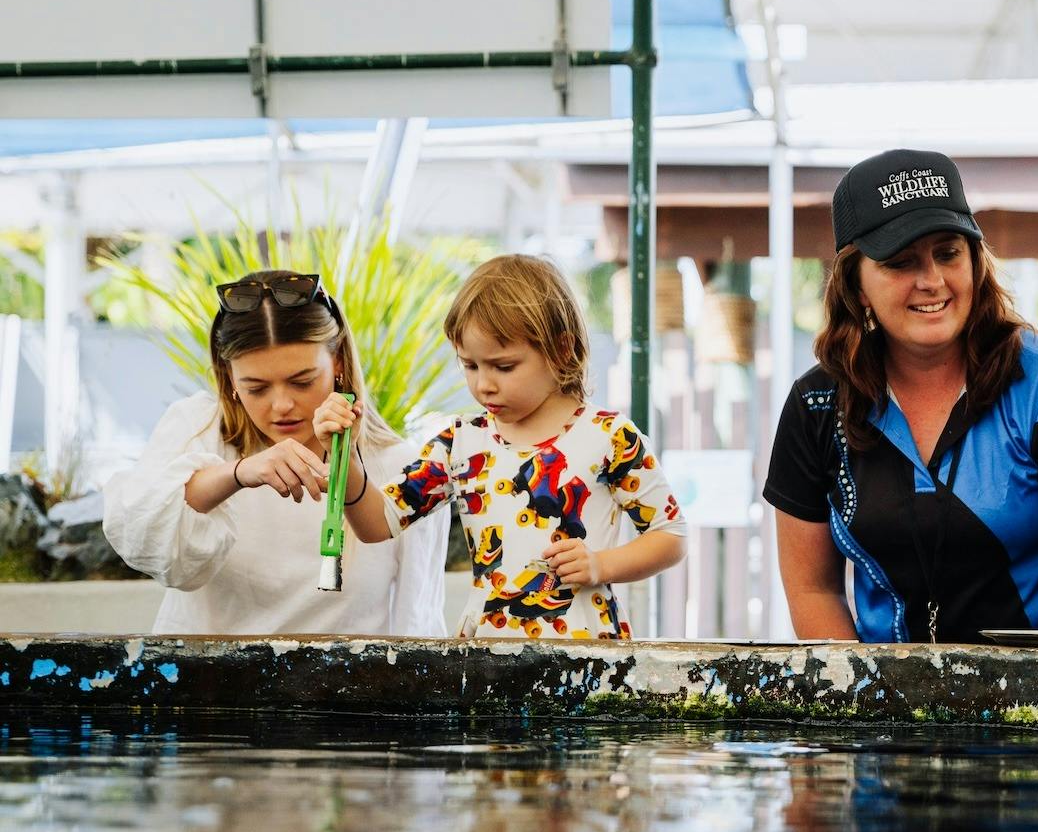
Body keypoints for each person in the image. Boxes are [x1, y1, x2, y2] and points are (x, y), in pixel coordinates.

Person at [763, 148, 1038, 643]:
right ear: (856, 283)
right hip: (889, 708)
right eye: (900, 262)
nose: (932, 280)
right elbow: (812, 591)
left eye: (948, 252)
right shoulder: (814, 405)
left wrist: (1022, 711)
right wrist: (867, 709)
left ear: (976, 260)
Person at [330, 254, 686, 639]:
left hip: (588, 665)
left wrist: (601, 565)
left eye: (503, 367)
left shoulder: (610, 435)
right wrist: (344, 456)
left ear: (562, 350)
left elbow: (671, 536)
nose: (484, 384)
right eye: (470, 366)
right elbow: (375, 522)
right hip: (485, 665)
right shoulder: (459, 442)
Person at [104, 270, 446, 635]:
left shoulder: (399, 466)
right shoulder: (199, 429)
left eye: (302, 381)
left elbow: (419, 621)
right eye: (256, 388)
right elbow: (141, 537)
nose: (282, 405)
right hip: (207, 687)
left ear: (339, 363)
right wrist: (238, 473)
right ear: (229, 377)